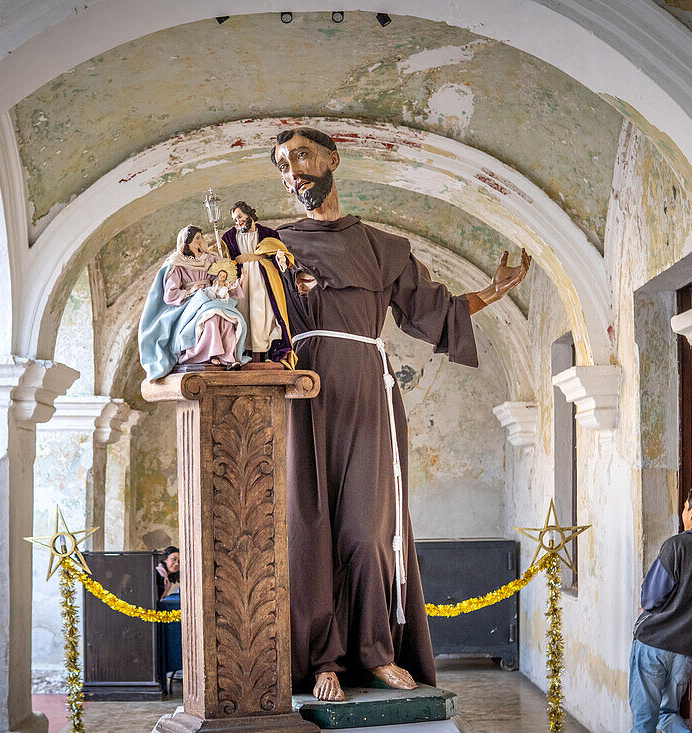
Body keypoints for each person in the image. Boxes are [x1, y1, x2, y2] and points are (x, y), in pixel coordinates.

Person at [269, 127, 531, 702]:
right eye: (283, 164)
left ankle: (375, 652)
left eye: (303, 156)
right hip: (299, 396)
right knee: (307, 532)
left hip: (368, 395)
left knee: (369, 534)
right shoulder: (270, 245)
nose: (294, 171)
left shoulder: (384, 248)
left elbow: (429, 311)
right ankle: (322, 661)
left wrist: (493, 291)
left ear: (333, 159)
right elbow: (239, 320)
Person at [629, 487, 692, 733]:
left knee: (644, 721)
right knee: (667, 714)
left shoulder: (678, 545)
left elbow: (650, 597)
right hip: (687, 650)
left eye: (685, 507)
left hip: (655, 644)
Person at [138, 225, 251, 379]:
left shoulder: (211, 258)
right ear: (187, 242)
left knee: (227, 319)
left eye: (201, 237)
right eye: (196, 238)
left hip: (212, 296)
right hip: (190, 302)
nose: (200, 241)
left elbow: (220, 278)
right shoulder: (177, 263)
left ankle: (229, 357)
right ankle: (211, 354)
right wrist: (190, 291)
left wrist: (226, 280)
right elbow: (170, 294)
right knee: (211, 318)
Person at [221, 201, 297, 365]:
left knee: (265, 316)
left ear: (249, 214)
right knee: (244, 315)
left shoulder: (268, 234)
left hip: (264, 280)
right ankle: (244, 356)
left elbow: (278, 257)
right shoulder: (228, 237)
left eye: (240, 216)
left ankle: (268, 355)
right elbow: (223, 258)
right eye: (235, 220)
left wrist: (279, 259)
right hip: (243, 281)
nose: (238, 222)